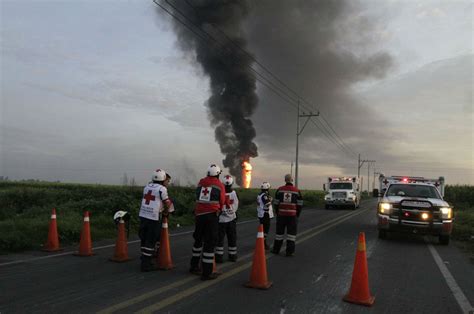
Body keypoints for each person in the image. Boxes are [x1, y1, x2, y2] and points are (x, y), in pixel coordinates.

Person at [190, 164, 226, 280]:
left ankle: (194, 266)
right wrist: (219, 209)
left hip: (199, 215)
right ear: (218, 174)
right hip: (211, 216)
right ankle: (207, 272)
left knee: (198, 240)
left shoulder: (201, 182)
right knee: (210, 243)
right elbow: (222, 201)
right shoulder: (219, 185)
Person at [138, 169, 174, 272]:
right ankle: (146, 264)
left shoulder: (146, 187)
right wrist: (167, 211)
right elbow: (166, 203)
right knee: (151, 239)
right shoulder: (162, 189)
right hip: (153, 217)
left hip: (143, 215)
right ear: (163, 179)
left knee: (144, 238)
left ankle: (144, 257)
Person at [272, 174, 303, 257]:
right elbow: (300, 204)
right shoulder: (296, 191)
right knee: (291, 235)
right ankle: (289, 252)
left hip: (281, 216)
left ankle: (276, 250)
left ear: (285, 180)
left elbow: (276, 203)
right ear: (291, 180)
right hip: (292, 216)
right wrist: (297, 214)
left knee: (279, 234)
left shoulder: (280, 190)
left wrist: (277, 212)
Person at [215, 175, 239, 263]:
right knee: (232, 238)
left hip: (221, 220)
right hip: (232, 219)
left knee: (219, 239)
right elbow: (236, 205)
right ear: (232, 183)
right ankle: (232, 256)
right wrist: (232, 213)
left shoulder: (219, 193)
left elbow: (216, 205)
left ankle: (219, 257)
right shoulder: (234, 193)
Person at [256, 182, 274, 250]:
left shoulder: (259, 195)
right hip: (265, 214)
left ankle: (262, 242)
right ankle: (263, 243)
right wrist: (271, 199)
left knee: (262, 230)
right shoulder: (264, 195)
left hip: (261, 214)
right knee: (265, 230)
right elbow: (267, 204)